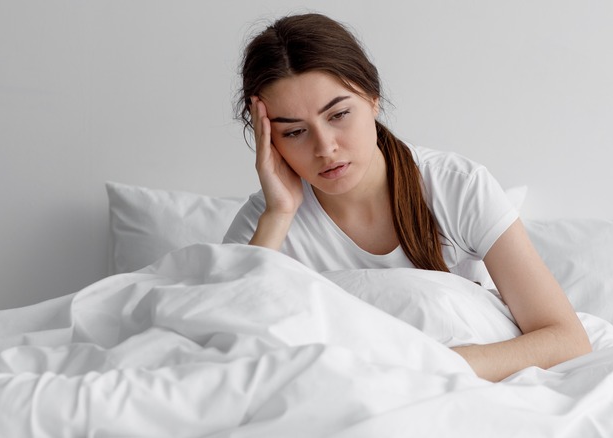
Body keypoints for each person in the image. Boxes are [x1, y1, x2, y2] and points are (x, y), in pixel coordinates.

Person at [223, 13, 591, 382]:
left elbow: (566, 338)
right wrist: (279, 215)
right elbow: (226, 340)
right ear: (267, 139)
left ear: (372, 98)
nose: (325, 147)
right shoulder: (267, 221)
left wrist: (427, 368)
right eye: (296, 132)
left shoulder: (456, 186)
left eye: (338, 114)